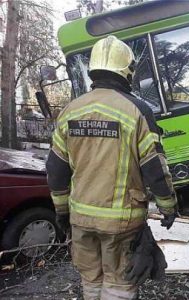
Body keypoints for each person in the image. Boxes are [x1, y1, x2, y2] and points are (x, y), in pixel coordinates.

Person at [46, 35, 177, 300]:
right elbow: (155, 168)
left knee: (91, 280)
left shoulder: (70, 111)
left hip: (81, 218)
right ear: (127, 70)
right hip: (121, 222)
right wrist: (168, 206)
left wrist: (62, 212)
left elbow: (55, 170)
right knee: (119, 285)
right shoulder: (137, 110)